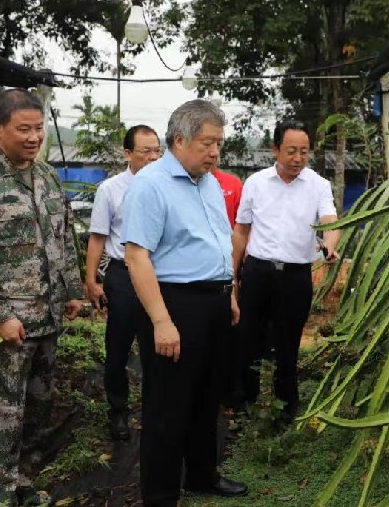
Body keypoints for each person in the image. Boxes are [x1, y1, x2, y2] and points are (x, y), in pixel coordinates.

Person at [0, 88, 84, 507]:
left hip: (46, 319)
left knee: (36, 413)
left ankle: (23, 485)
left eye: (39, 128)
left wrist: (72, 291)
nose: (33, 137)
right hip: (9, 326)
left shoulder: (45, 176)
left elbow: (63, 239)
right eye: (23, 129)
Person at [123, 99, 249, 506]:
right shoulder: (151, 184)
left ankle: (201, 474)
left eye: (219, 144)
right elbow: (136, 255)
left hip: (213, 302)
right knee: (167, 406)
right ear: (178, 140)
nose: (215, 152)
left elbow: (219, 239)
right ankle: (160, 496)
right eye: (206, 143)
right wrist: (161, 320)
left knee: (206, 397)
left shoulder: (209, 183)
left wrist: (229, 293)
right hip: (174, 304)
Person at [232, 120, 341, 421]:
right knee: (248, 339)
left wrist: (329, 246)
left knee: (288, 343)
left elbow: (330, 221)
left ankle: (286, 412)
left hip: (295, 276)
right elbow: (241, 230)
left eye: (304, 152)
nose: (297, 158)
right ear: (275, 149)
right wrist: (233, 274)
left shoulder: (318, 185)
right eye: (291, 151)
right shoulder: (255, 182)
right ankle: (244, 406)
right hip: (257, 272)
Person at [84, 124, 161, 441]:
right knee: (118, 348)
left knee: (157, 346)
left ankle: (157, 412)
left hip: (160, 274)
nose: (153, 157)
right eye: (146, 151)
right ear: (127, 153)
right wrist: (91, 280)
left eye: (158, 150)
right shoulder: (111, 189)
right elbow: (98, 236)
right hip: (123, 275)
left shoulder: (168, 186)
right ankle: (118, 413)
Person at [210, 155, 243, 228]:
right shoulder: (180, 185)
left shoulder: (233, 183)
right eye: (206, 145)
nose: (214, 152)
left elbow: (242, 226)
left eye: (217, 145)